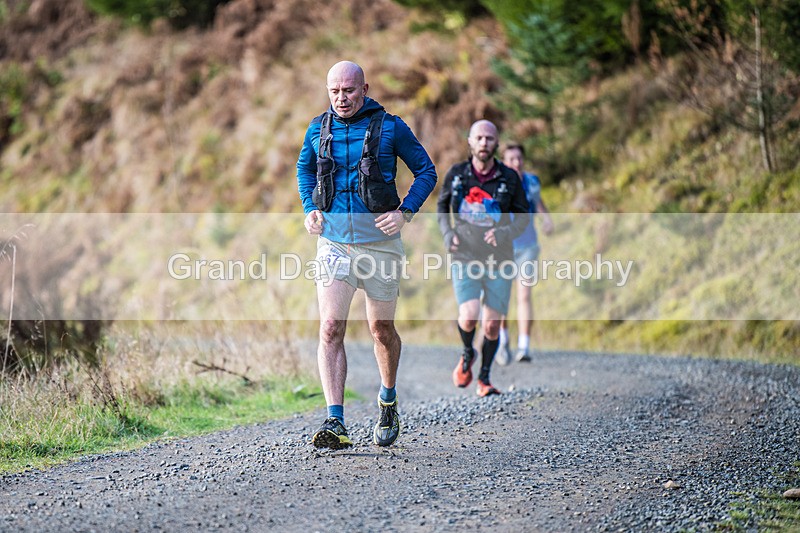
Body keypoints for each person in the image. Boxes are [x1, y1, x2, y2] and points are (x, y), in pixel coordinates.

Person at [297, 61, 437, 449]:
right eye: (334, 91)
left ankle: (388, 400)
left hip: (380, 246)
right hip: (334, 245)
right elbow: (304, 169)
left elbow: (426, 170)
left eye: (349, 91)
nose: (341, 99)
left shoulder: (391, 127)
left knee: (381, 330)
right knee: (330, 327)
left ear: (364, 88)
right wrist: (310, 206)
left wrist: (405, 211)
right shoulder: (316, 128)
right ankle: (335, 421)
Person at [437, 120, 530, 397]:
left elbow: (524, 217)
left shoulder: (509, 178)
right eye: (479, 138)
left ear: (496, 143)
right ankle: (467, 353)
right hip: (465, 255)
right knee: (469, 316)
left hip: (499, 259)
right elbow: (442, 206)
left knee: (491, 324)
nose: (484, 143)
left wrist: (503, 233)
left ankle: (485, 379)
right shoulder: (456, 175)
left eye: (489, 138)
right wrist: (447, 233)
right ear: (470, 141)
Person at [495, 143, 554, 365]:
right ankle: (502, 342)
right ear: (503, 162)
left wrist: (546, 218)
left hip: (528, 246)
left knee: (524, 295)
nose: (516, 163)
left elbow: (537, 202)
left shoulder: (532, 181)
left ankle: (524, 346)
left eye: (519, 158)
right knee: (501, 297)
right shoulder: (498, 183)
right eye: (511, 159)